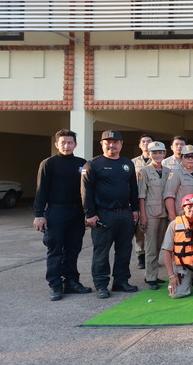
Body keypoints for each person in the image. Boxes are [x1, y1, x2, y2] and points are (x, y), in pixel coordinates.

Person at [33, 129, 91, 301]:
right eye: (63, 143)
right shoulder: (48, 164)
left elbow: (88, 189)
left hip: (77, 212)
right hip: (56, 212)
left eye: (70, 142)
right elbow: (41, 190)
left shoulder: (82, 164)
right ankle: (55, 284)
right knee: (55, 249)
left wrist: (89, 212)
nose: (66, 146)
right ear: (56, 144)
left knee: (73, 249)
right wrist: (39, 214)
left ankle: (71, 282)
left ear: (75, 144)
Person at [81, 130, 140, 299]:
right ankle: (101, 284)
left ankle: (121, 281)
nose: (112, 145)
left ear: (121, 144)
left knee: (124, 250)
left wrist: (135, 210)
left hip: (125, 214)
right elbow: (86, 191)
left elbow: (133, 188)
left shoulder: (127, 163)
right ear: (102, 144)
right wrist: (90, 214)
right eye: (108, 142)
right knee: (102, 252)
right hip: (103, 214)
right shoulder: (92, 164)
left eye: (115, 142)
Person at [137, 141, 171, 290]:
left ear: (164, 154)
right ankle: (150, 277)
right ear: (149, 154)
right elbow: (141, 196)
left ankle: (153, 274)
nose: (157, 155)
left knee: (159, 245)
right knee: (150, 246)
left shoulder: (168, 171)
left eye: (160, 152)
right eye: (154, 153)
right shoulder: (144, 171)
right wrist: (142, 215)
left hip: (164, 213)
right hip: (150, 213)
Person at [131, 133, 154, 269]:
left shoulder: (158, 161)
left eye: (149, 141)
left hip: (153, 200)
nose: (146, 144)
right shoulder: (133, 162)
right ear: (140, 145)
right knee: (139, 230)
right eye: (143, 141)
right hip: (138, 200)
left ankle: (152, 257)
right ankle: (141, 255)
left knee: (153, 232)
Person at [164, 144, 193, 217]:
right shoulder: (176, 174)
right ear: (181, 158)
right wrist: (173, 217)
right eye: (187, 156)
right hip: (182, 214)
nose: (190, 159)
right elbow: (169, 197)